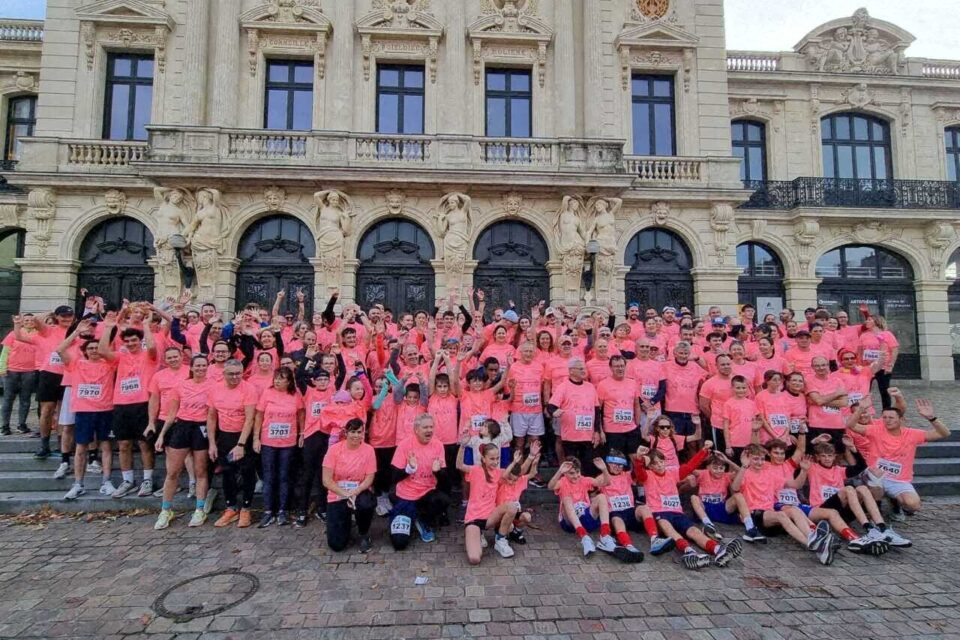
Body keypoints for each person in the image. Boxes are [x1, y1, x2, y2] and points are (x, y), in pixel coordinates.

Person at [847, 394, 950, 519]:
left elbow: (944, 433)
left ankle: (896, 503)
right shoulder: (875, 430)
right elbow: (851, 425)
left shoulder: (912, 434)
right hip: (875, 476)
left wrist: (931, 418)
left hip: (898, 480)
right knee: (876, 478)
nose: (887, 420)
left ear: (901, 420)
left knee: (913, 505)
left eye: (891, 417)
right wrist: (860, 409)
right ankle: (876, 510)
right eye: (884, 417)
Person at [730, 443, 836, 565]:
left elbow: (796, 485)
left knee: (794, 510)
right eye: (755, 459)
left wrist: (804, 471)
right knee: (781, 515)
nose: (759, 462)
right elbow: (735, 488)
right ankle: (814, 545)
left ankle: (813, 538)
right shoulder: (744, 473)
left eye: (762, 459)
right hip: (755, 515)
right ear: (748, 458)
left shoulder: (770, 474)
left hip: (770, 515)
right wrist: (744, 466)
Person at [98, 316, 158, 498]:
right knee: (123, 444)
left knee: (144, 443)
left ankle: (147, 480)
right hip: (121, 404)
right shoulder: (120, 356)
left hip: (142, 404)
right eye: (128, 341)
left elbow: (153, 347)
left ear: (140, 342)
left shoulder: (148, 356)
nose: (131, 343)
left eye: (134, 340)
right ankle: (128, 480)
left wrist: (146, 325)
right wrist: (108, 327)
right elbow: (102, 351)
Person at [154, 355, 214, 529]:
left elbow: (212, 416)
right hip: (182, 427)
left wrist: (211, 441)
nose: (201, 369)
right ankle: (166, 510)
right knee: (172, 472)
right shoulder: (180, 386)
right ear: (192, 368)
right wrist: (161, 435)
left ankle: (200, 509)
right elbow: (172, 414)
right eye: (198, 366)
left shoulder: (213, 386)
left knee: (201, 471)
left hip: (201, 428)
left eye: (204, 366)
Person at [60, 320, 117, 500]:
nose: (94, 350)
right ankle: (78, 484)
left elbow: (106, 350)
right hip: (84, 410)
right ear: (85, 351)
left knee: (106, 446)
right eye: (90, 348)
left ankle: (106, 482)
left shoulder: (109, 364)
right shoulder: (77, 364)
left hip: (105, 409)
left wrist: (108, 329)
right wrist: (76, 332)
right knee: (81, 447)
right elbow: (60, 350)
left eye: (96, 348)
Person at [388, 414, 451, 549]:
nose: (429, 430)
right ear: (416, 429)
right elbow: (393, 478)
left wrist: (438, 472)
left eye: (431, 427)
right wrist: (409, 469)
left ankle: (423, 519)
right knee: (399, 543)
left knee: (443, 500)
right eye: (425, 427)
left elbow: (446, 481)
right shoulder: (405, 445)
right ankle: (408, 515)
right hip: (406, 494)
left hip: (427, 493)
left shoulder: (438, 445)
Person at [207, 359, 257, 528]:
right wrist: (212, 443)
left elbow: (250, 418)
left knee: (247, 472)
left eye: (238, 373)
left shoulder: (248, 389)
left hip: (244, 436)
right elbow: (212, 417)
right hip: (225, 436)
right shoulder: (215, 389)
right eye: (231, 374)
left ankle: (246, 508)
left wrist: (241, 445)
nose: (235, 377)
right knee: (227, 472)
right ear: (224, 373)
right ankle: (231, 508)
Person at [254, 367, 305, 527]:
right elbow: (259, 415)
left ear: (289, 381)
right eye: (275, 378)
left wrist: (302, 433)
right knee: (269, 477)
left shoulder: (295, 395)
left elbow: (301, 414)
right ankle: (268, 511)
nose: (277, 381)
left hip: (288, 442)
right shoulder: (267, 393)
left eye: (281, 378)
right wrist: (256, 438)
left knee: (284, 476)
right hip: (268, 441)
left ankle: (283, 510)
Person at [457, 441, 520, 563]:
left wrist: (519, 460)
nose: (495, 462)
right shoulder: (475, 470)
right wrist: (463, 446)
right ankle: (477, 534)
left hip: (491, 517)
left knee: (512, 507)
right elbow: (459, 465)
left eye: (497, 458)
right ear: (483, 458)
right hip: (474, 519)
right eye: (492, 458)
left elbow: (517, 473)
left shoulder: (499, 472)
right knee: (474, 558)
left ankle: (501, 539)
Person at [322, 418, 377, 553]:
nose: (356, 435)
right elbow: (326, 480)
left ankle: (364, 533)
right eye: (353, 432)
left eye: (359, 432)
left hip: (359, 491)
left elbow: (369, 478)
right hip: (338, 493)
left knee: (366, 503)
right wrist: (345, 494)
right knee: (336, 545)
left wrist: (355, 492)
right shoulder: (334, 450)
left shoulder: (369, 450)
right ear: (346, 433)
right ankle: (347, 523)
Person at [547, 455, 618, 557]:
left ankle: (605, 535)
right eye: (571, 473)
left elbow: (606, 483)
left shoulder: (584, 480)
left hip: (586, 518)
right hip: (569, 523)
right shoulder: (562, 482)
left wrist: (604, 469)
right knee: (566, 499)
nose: (576, 476)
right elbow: (550, 486)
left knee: (601, 497)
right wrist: (559, 471)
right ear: (565, 473)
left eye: (577, 472)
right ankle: (584, 537)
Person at [546, 359, 600, 473]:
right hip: (570, 436)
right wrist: (554, 412)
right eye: (580, 369)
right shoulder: (563, 386)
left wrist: (597, 431)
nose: (583, 371)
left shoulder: (590, 387)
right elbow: (551, 406)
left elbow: (596, 410)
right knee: (573, 467)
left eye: (584, 368)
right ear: (571, 371)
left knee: (588, 467)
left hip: (588, 435)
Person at [1, 314, 38, 436]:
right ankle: (5, 425)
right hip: (12, 370)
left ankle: (22, 424)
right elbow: (5, 352)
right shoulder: (13, 334)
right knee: (8, 399)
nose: (29, 322)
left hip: (29, 371)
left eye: (31, 320)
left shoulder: (38, 335)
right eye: (26, 320)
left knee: (25, 399)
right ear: (22, 322)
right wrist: (2, 368)